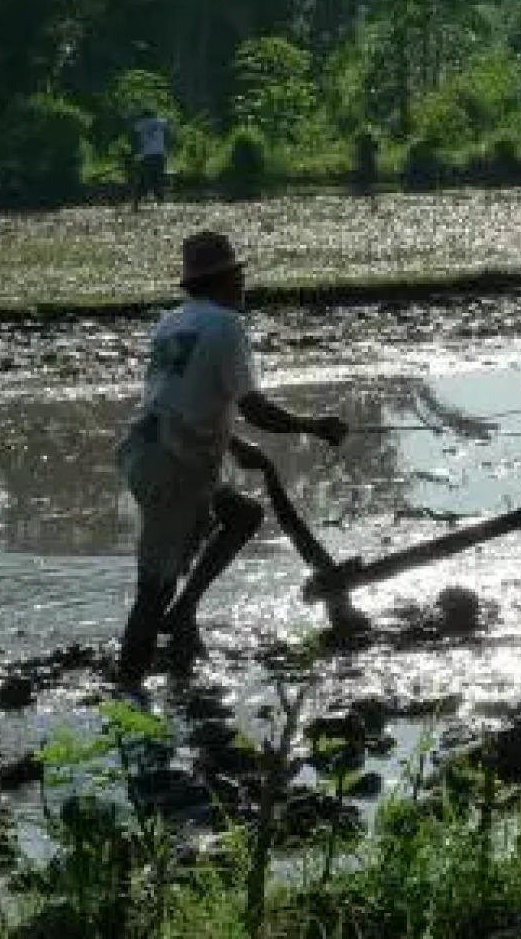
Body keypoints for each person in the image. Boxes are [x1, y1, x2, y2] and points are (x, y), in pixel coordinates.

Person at [114, 230, 350, 688]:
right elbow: (254, 408)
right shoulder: (227, 327)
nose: (243, 286)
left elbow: (180, 399)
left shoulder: (173, 323)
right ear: (225, 281)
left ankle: (184, 612)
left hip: (149, 451)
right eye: (239, 277)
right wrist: (314, 425)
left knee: (242, 515)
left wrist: (237, 448)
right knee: (152, 590)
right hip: (176, 468)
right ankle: (128, 694)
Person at [131, 107, 170, 210]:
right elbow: (167, 131)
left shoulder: (140, 124)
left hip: (147, 157)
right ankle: (161, 204)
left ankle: (135, 204)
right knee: (158, 180)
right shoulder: (161, 122)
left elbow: (136, 139)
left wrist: (136, 155)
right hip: (160, 156)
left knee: (142, 180)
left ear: (143, 116)